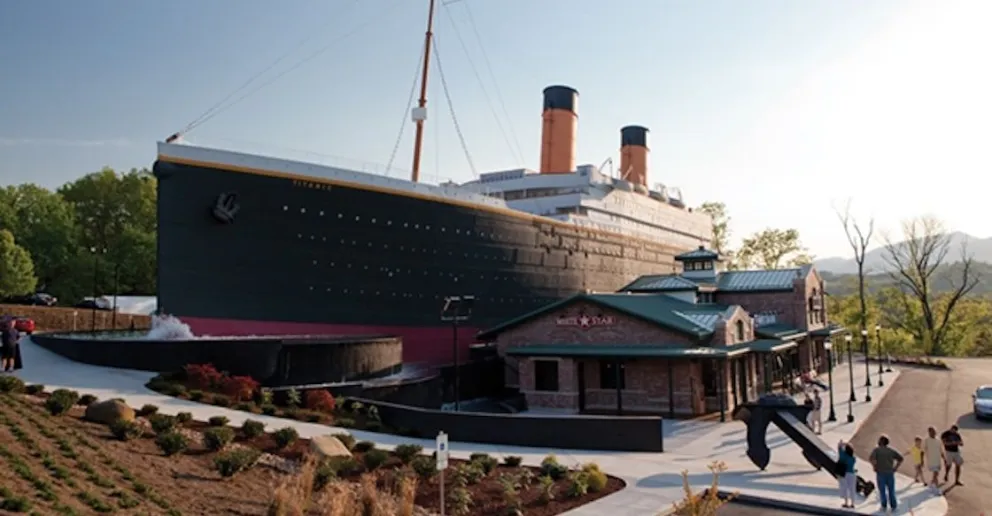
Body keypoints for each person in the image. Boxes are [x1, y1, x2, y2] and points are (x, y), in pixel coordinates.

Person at [869, 434, 904, 514]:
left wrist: (874, 466)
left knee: (882, 491)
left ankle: (884, 506)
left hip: (880, 473)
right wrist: (896, 468)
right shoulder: (891, 450)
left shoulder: (876, 450)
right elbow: (901, 458)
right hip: (890, 473)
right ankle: (893, 506)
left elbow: (871, 458)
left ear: (881, 441)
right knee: (891, 490)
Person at [837, 440, 858, 509]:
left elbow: (839, 447)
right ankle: (852, 503)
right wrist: (848, 444)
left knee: (844, 488)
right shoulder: (853, 458)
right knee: (852, 489)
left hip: (844, 473)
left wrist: (843, 443)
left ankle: (846, 503)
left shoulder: (843, 455)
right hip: (852, 474)